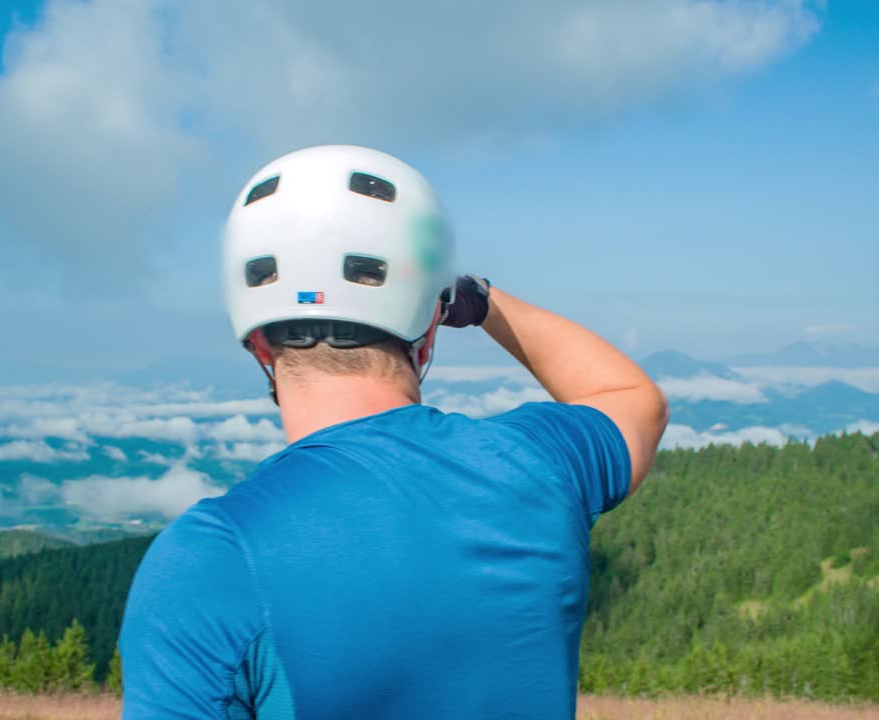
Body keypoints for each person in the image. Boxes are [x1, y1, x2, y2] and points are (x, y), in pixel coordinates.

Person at [119, 145, 668, 719]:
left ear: (259, 345)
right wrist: (479, 302)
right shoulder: (539, 464)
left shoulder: (210, 556)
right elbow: (633, 399)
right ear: (430, 331)